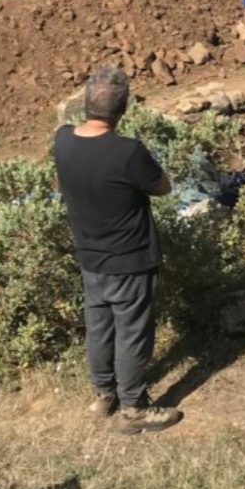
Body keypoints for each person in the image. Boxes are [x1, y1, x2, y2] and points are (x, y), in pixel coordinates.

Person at [52, 67, 181, 434]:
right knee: (131, 331)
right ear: (123, 108)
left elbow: (60, 183)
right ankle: (134, 408)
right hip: (130, 259)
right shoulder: (128, 152)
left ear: (85, 104)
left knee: (99, 327)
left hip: (90, 257)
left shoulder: (62, 140)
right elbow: (163, 188)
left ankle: (103, 394)